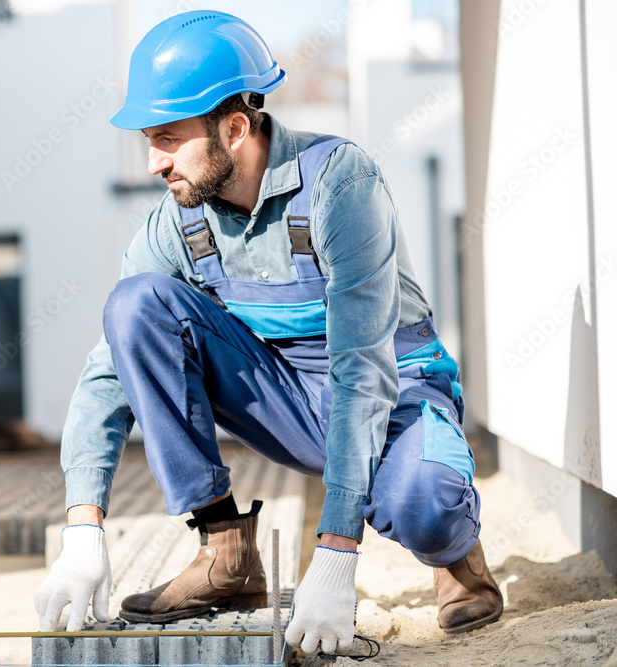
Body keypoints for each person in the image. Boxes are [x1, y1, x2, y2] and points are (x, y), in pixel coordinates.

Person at [33, 10, 502, 655]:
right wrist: (82, 531)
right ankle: (226, 553)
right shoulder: (176, 224)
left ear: (234, 128)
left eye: (168, 138)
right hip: (289, 400)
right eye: (148, 139)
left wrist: (335, 557)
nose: (151, 163)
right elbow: (109, 367)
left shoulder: (341, 183)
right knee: (135, 306)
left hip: (393, 392)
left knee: (425, 502)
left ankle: (459, 559)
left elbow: (363, 370)